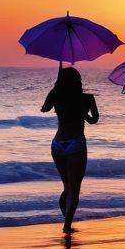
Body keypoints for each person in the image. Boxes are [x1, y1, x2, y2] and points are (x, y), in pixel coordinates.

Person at [42, 66, 98, 234]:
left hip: (58, 144)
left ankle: (66, 219)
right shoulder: (87, 98)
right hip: (76, 144)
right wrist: (84, 115)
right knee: (74, 188)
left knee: (67, 187)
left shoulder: (56, 95)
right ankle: (67, 225)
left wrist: (55, 89)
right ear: (78, 81)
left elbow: (44, 108)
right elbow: (94, 119)